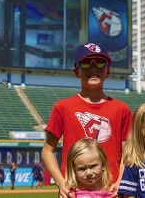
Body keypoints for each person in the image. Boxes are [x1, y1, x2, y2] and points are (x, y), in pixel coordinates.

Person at [43, 43, 132, 198]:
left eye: (100, 63)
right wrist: (61, 182)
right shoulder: (62, 107)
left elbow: (128, 153)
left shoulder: (121, 109)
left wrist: (120, 182)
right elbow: (47, 151)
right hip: (73, 192)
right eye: (86, 63)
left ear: (108, 71)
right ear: (76, 71)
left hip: (111, 192)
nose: (93, 68)